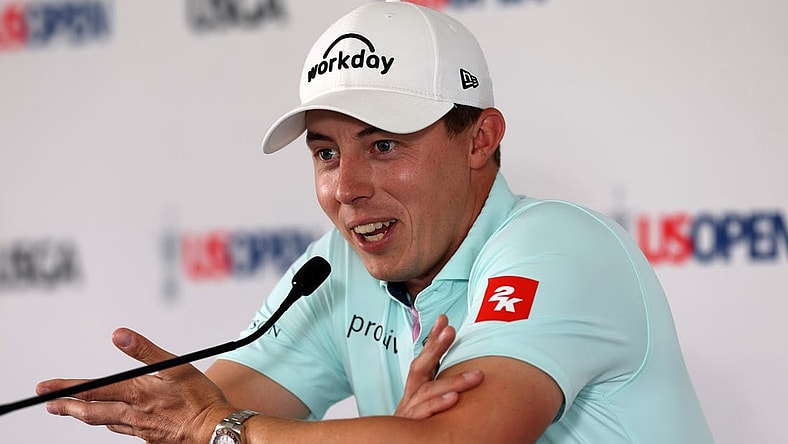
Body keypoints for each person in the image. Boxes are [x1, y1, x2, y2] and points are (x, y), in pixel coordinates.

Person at [37, 1, 714, 443]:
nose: (346, 188)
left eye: (384, 145)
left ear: (480, 139)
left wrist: (228, 430)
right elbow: (200, 407)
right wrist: (182, 416)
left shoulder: (557, 245)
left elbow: (455, 442)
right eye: (326, 153)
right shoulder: (338, 267)